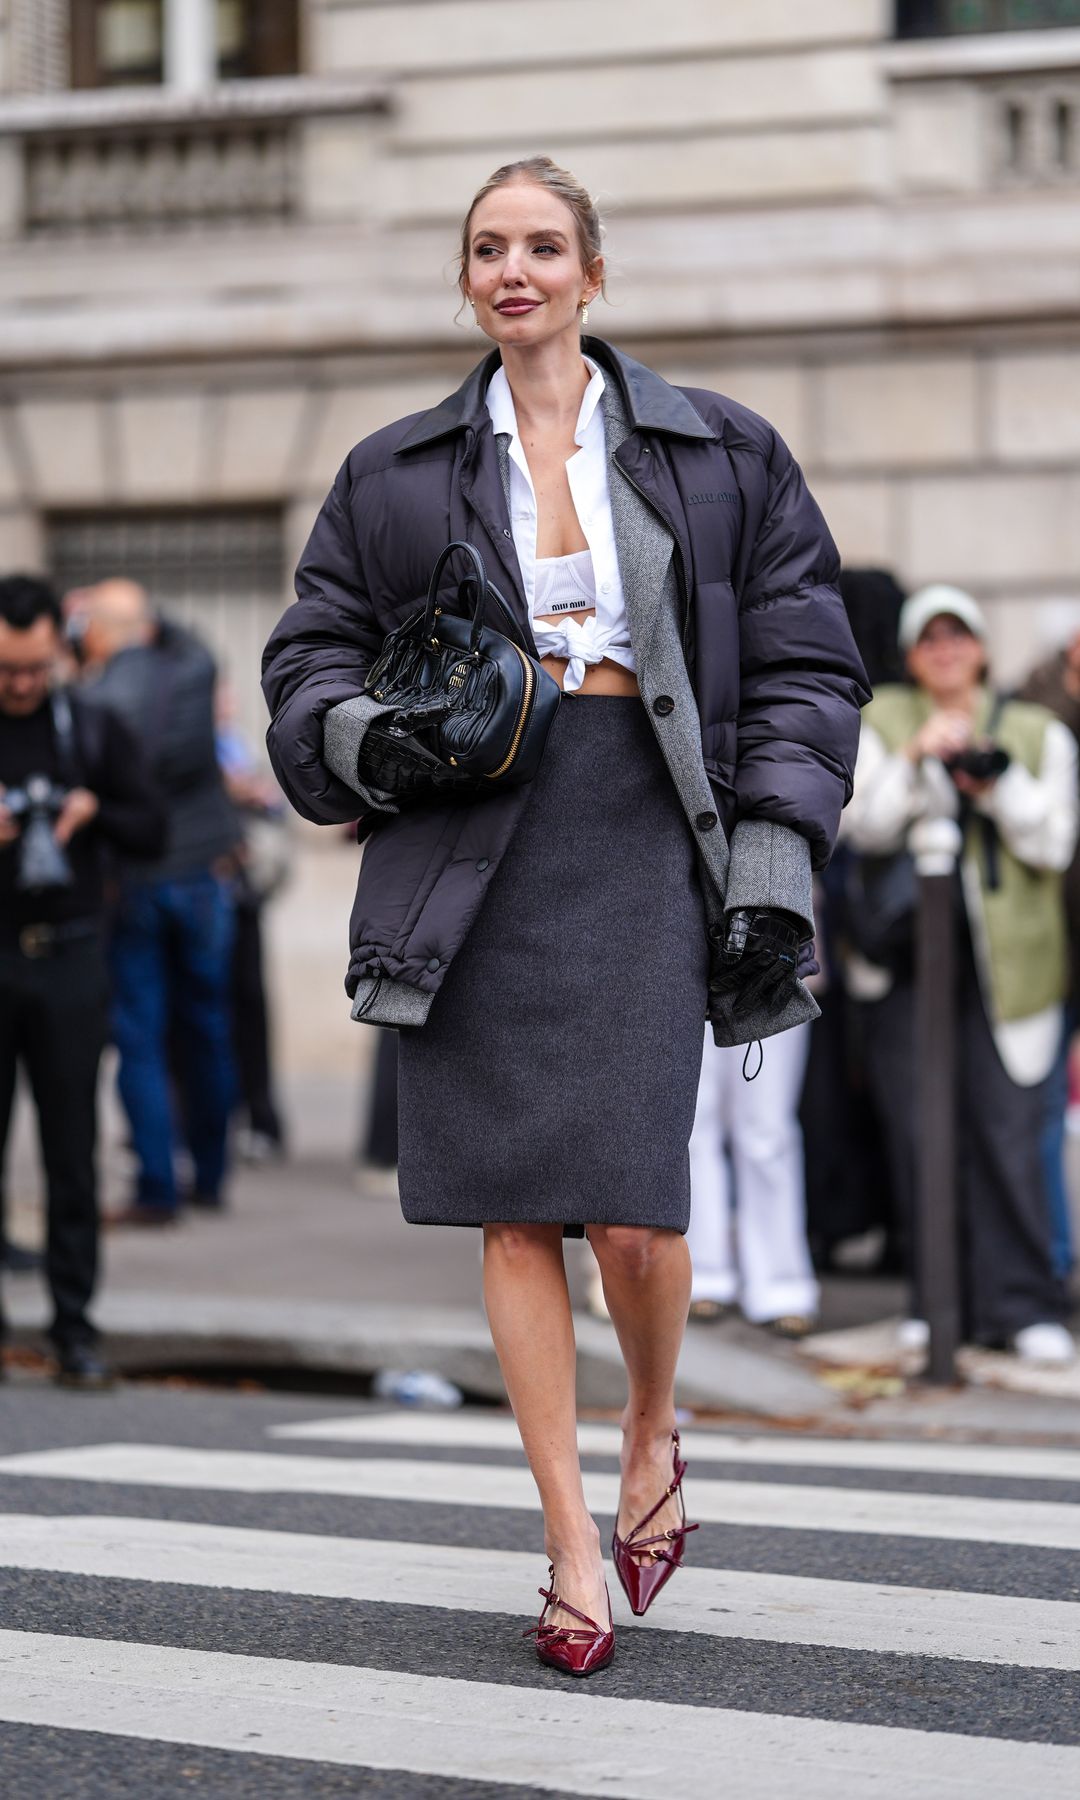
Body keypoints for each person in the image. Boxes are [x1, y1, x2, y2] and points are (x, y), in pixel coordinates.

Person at [263, 156, 867, 1675]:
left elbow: (805, 669)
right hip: (470, 848)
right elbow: (306, 658)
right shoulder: (395, 469)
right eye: (486, 248)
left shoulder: (723, 451)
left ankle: (653, 1424)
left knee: (639, 1212)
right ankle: (566, 1537)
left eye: (541, 245)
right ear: (465, 279)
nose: (512, 270)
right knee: (510, 1205)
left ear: (595, 271)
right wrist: (359, 739)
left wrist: (773, 868)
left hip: (646, 827)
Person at [844, 584, 1078, 1362]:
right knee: (921, 1133)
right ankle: (935, 1296)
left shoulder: (1037, 730)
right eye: (929, 639)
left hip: (1012, 967)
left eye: (959, 636)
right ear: (911, 654)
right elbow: (863, 825)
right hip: (911, 962)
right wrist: (917, 757)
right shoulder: (881, 721)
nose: (946, 651)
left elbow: (1052, 842)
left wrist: (995, 781)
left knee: (1010, 1131)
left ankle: (1020, 1302)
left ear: (981, 645)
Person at [0, 574, 163, 1384]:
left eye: (34, 668)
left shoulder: (94, 729)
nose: (22, 684)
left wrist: (93, 809)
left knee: (72, 1153)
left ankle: (74, 1328)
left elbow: (153, 826)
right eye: (6, 670)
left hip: (68, 955)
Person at [73, 580, 240, 1223]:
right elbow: (184, 632)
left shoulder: (96, 696)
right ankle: (214, 1175)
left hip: (137, 878)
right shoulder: (193, 672)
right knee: (207, 1028)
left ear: (103, 633)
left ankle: (156, 1187)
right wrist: (140, 610)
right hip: (202, 875)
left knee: (139, 1037)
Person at [686, 1021, 818, 1333]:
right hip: (679, 973)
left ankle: (780, 1280)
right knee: (692, 1123)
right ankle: (700, 1270)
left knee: (767, 1131)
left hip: (768, 973)